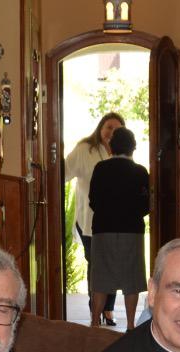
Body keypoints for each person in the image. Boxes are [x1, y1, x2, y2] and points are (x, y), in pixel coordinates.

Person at [66, 112, 125, 326]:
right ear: (100, 128)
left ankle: (108, 309)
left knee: (113, 265)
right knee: (96, 266)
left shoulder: (123, 154)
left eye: (116, 129)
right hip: (89, 221)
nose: (111, 132)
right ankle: (95, 310)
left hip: (116, 222)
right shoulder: (85, 150)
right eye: (108, 127)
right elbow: (62, 173)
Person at [88, 126, 149, 330]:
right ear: (133, 148)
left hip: (103, 229)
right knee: (131, 279)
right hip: (131, 230)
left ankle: (95, 323)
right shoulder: (140, 172)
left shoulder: (100, 169)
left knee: (101, 280)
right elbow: (146, 205)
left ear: (111, 148)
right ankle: (130, 325)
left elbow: (93, 201)